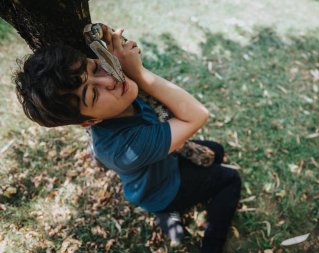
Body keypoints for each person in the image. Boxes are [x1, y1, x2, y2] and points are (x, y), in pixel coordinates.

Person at [14, 27, 241, 253]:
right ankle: (204, 240)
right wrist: (140, 74)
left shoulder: (120, 94)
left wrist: (110, 38)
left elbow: (104, 39)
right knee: (230, 179)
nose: (109, 79)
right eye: (93, 94)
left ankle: (169, 216)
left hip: (164, 162)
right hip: (162, 190)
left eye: (94, 66)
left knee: (217, 151)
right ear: (89, 121)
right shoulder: (125, 148)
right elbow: (198, 115)